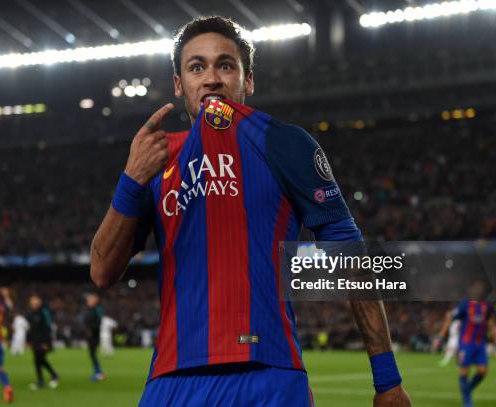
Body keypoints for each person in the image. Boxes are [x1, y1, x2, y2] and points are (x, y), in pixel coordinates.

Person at [90, 16, 411, 406]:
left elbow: (349, 254)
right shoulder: (155, 160)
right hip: (171, 383)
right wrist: (131, 178)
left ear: (248, 80)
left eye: (225, 65)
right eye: (196, 67)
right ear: (179, 84)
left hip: (268, 377)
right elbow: (103, 270)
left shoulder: (283, 142)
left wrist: (387, 381)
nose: (211, 78)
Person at [433, 281, 496, 407]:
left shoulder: (487, 306)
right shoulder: (464, 305)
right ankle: (467, 402)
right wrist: (440, 337)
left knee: (483, 371)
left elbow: (491, 323)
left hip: (480, 344)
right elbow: (450, 318)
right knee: (464, 371)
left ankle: (467, 390)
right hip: (466, 343)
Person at [27, 294, 59, 389]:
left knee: (40, 360)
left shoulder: (44, 312)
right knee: (38, 361)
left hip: (43, 341)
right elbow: (31, 329)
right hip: (35, 341)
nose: (33, 304)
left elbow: (48, 328)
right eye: (32, 302)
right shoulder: (31, 313)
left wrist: (46, 342)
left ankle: (51, 376)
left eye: (35, 301)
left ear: (39, 302)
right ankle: (43, 380)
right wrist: (28, 340)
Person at [83, 293, 104, 381]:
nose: (88, 301)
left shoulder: (97, 310)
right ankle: (97, 372)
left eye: (91, 300)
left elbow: (99, 323)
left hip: (94, 336)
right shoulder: (88, 310)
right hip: (90, 335)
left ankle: (99, 373)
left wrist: (91, 330)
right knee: (92, 354)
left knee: (93, 354)